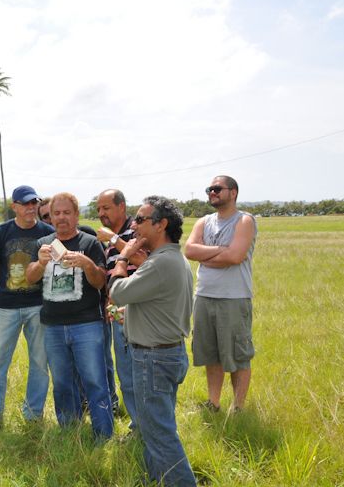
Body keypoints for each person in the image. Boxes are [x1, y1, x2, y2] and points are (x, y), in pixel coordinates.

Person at [108, 195, 196, 486]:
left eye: (141, 220)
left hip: (153, 359)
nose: (133, 226)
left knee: (159, 434)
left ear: (162, 225)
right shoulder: (171, 259)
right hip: (165, 354)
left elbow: (118, 291)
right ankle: (159, 480)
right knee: (155, 429)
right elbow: (159, 303)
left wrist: (122, 258)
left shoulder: (159, 263)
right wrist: (131, 314)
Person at [25, 192, 113, 442]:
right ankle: (69, 430)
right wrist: (40, 264)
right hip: (52, 326)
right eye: (56, 213)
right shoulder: (43, 244)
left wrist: (86, 264)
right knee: (63, 383)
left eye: (66, 213)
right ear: (50, 217)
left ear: (76, 215)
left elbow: (99, 282)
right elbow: (30, 278)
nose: (61, 218)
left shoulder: (89, 243)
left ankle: (103, 434)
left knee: (95, 381)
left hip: (87, 324)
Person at [0, 185, 54, 428]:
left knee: (40, 363)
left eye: (34, 203)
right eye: (26, 203)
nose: (31, 208)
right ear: (15, 207)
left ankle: (33, 414)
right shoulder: (1, 232)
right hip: (7, 307)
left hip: (38, 306)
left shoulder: (48, 232)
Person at [184, 175, 257, 412]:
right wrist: (220, 253)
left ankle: (238, 408)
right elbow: (190, 251)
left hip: (233, 297)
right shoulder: (204, 222)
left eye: (217, 189)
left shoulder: (244, 221)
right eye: (209, 189)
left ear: (233, 192)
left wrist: (207, 257)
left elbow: (235, 257)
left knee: (237, 354)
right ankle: (213, 403)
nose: (212, 193)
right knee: (211, 353)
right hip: (204, 295)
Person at [95, 189, 148, 429]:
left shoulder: (136, 230)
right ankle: (138, 424)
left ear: (122, 206)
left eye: (106, 208)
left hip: (139, 312)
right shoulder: (110, 238)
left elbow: (145, 261)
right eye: (98, 209)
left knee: (141, 374)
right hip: (117, 313)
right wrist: (109, 301)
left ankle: (149, 425)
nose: (101, 213)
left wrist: (115, 241)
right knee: (125, 373)